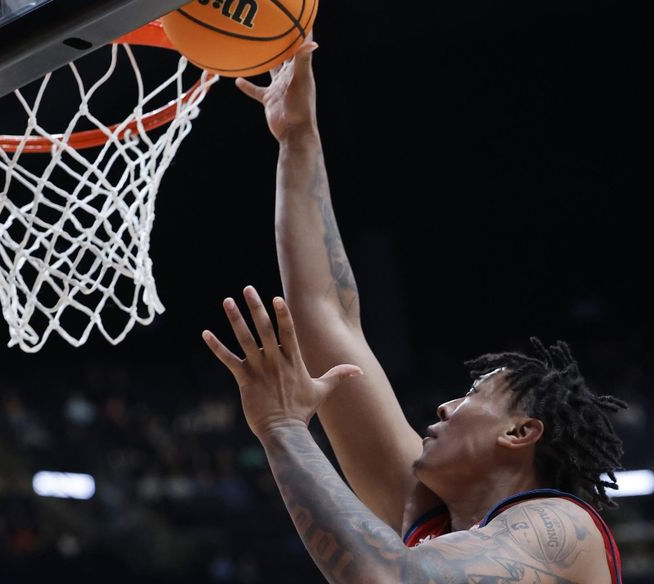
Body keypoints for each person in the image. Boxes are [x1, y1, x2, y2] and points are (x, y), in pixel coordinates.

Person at [201, 34, 628, 583]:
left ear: (521, 433)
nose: (447, 406)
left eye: (476, 395)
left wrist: (284, 427)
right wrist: (298, 139)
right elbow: (323, 314)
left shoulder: (560, 526)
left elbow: (392, 579)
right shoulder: (430, 515)